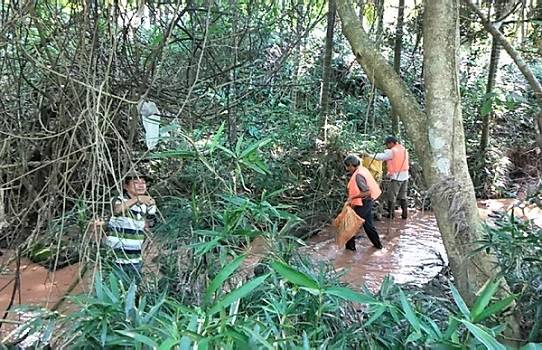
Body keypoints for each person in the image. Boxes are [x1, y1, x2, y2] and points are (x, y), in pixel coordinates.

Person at [106, 170, 157, 283]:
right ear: (125, 186)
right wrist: (137, 199)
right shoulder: (118, 200)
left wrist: (151, 212)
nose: (141, 185)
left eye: (143, 182)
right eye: (136, 182)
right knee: (116, 291)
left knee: (133, 291)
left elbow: (148, 226)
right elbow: (117, 210)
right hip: (116, 258)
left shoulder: (143, 205)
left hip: (135, 259)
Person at [344, 154, 383, 251]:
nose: (347, 169)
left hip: (364, 202)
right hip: (367, 202)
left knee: (351, 226)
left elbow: (367, 191)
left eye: (348, 166)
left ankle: (349, 250)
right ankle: (378, 246)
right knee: (368, 225)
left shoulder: (358, 176)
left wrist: (352, 197)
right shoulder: (362, 170)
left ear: (352, 165)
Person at [372, 136, 409, 219]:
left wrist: (370, 155)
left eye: (387, 144)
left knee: (391, 196)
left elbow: (381, 157)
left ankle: (391, 215)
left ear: (391, 143)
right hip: (405, 176)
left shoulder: (393, 151)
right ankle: (405, 215)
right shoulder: (403, 149)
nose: (386, 146)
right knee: (403, 196)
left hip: (396, 178)